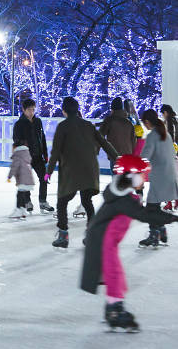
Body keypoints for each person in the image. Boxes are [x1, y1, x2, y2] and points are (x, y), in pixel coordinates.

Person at [81, 154, 178, 332]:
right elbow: (145, 215)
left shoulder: (122, 195)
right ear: (130, 176)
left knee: (115, 275)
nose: (144, 178)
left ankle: (113, 307)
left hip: (106, 240)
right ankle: (114, 312)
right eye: (142, 174)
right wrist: (172, 218)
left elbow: (144, 211)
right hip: (103, 242)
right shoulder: (123, 200)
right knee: (114, 275)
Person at [46, 97, 118, 248]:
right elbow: (104, 143)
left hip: (71, 171)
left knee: (62, 202)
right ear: (77, 110)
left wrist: (48, 172)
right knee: (87, 201)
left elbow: (56, 152)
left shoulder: (63, 126)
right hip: (89, 170)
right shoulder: (88, 125)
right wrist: (118, 157)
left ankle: (63, 235)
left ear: (64, 111)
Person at [137, 109, 178, 247]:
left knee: (150, 208)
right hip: (170, 175)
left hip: (160, 177)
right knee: (154, 207)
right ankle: (160, 230)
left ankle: (155, 234)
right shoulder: (165, 134)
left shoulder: (153, 136)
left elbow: (144, 157)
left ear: (147, 122)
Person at [12, 99, 54, 214]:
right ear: (24, 110)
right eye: (29, 110)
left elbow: (42, 138)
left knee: (44, 178)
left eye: (33, 109)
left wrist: (45, 154)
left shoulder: (38, 122)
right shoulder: (19, 124)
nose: (32, 112)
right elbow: (16, 140)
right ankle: (27, 201)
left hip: (38, 156)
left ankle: (43, 201)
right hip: (25, 157)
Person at [99, 97, 136, 168]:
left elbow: (100, 136)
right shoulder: (128, 122)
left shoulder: (109, 120)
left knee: (116, 177)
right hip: (128, 155)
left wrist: (95, 149)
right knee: (125, 177)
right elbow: (133, 140)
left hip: (115, 155)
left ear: (112, 108)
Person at [7, 140, 36, 218]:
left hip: (23, 178)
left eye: (12, 148)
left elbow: (14, 167)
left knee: (19, 194)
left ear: (16, 147)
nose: (12, 149)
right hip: (28, 178)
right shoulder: (26, 153)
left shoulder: (17, 155)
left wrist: (9, 176)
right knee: (22, 194)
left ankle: (18, 209)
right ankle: (23, 210)